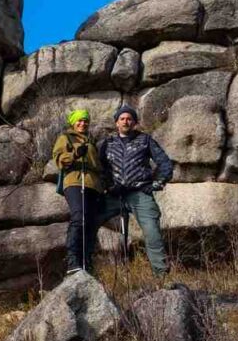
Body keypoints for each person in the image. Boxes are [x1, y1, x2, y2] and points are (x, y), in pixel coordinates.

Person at [98, 104, 174, 277]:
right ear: (116, 123)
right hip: (113, 195)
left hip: (140, 193)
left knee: (152, 231)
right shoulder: (106, 143)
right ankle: (85, 271)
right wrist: (105, 186)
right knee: (89, 222)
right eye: (122, 119)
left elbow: (165, 163)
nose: (126, 121)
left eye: (129, 119)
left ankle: (161, 275)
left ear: (134, 122)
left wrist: (157, 183)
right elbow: (99, 169)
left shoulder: (145, 140)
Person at [52, 108, 104, 274]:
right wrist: (74, 154)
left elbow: (99, 166)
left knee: (90, 224)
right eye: (79, 120)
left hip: (93, 186)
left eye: (86, 121)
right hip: (75, 182)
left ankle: (86, 262)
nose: (83, 123)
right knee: (79, 217)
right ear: (73, 122)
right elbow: (59, 159)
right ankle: (73, 260)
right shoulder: (66, 137)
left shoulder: (92, 141)